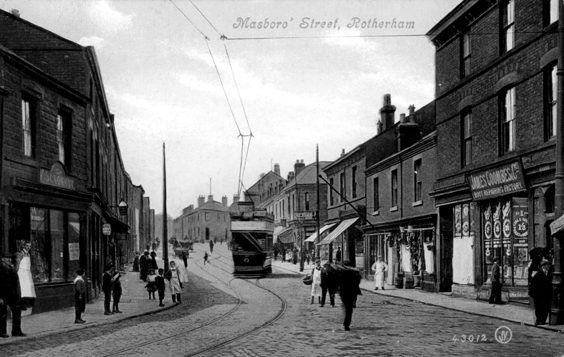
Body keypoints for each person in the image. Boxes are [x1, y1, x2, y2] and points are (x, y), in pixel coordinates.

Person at [0, 256, 25, 337]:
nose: (9, 260)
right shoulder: (1, 268)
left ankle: (16, 330)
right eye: (7, 258)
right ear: (2, 259)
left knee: (17, 311)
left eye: (9, 259)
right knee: (2, 313)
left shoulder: (11, 267)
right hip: (3, 294)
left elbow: (15, 281)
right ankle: (2, 332)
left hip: (12, 294)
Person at [337, 261, 362, 331]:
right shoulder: (355, 273)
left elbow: (337, 281)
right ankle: (346, 324)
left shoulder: (341, 272)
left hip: (344, 293)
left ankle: (346, 323)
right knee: (349, 309)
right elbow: (358, 281)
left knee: (346, 307)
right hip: (351, 293)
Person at [529, 259, 552, 326]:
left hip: (544, 295)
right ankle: (539, 320)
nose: (549, 267)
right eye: (547, 265)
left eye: (549, 265)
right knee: (539, 308)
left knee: (544, 308)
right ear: (543, 266)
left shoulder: (547, 273)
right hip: (539, 295)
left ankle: (541, 320)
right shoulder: (539, 274)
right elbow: (533, 285)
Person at [16, 242, 36, 310]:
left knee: (28, 290)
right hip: (22, 273)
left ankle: (28, 304)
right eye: (27, 246)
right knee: (23, 289)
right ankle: (22, 304)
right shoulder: (20, 254)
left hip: (27, 273)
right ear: (24, 246)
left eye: (30, 246)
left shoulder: (28, 254)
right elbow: (17, 264)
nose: (28, 247)